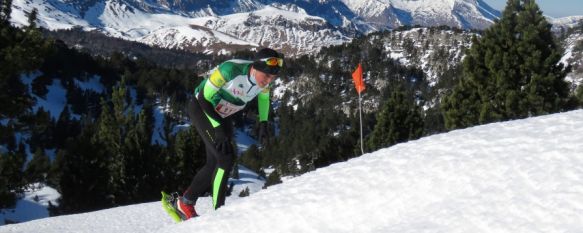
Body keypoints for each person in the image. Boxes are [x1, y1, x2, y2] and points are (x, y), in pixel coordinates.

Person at [172, 48, 284, 220]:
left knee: (214, 163)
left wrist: (263, 122)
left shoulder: (265, 80)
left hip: (223, 114)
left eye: (273, 78)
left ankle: (186, 202)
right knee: (225, 158)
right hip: (202, 107)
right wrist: (218, 129)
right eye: (267, 76)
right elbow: (203, 98)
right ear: (256, 67)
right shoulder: (230, 70)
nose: (269, 81)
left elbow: (263, 99)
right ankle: (219, 214)